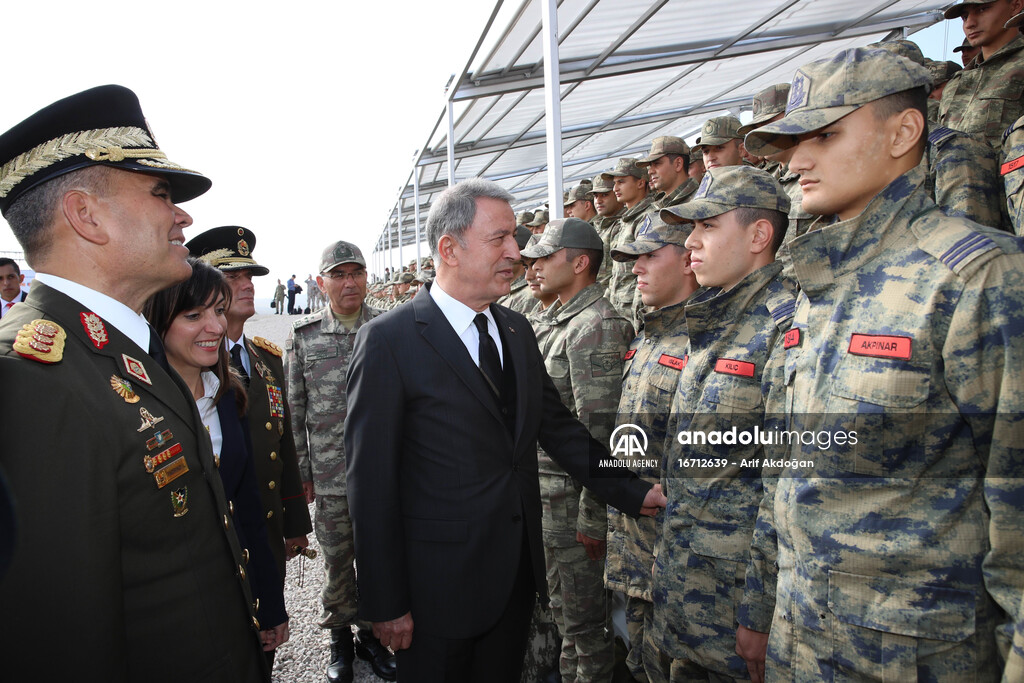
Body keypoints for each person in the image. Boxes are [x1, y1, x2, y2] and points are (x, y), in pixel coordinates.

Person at [744, 46, 1024, 680]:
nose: (799, 161)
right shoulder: (814, 284)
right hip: (806, 641)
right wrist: (763, 612)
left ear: (904, 132)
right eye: (793, 141)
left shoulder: (977, 278)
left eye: (825, 134)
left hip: (916, 656)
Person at [344, 178, 666, 683]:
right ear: (449, 248)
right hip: (436, 592)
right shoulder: (389, 340)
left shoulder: (516, 331)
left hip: (514, 580)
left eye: (514, 238)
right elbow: (370, 482)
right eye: (501, 239)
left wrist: (630, 490)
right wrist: (385, 601)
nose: (516, 253)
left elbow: (558, 429)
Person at [0, 84, 267, 681]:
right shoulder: (29, 378)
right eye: (161, 193)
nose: (184, 216)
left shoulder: (124, 348)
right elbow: (61, 641)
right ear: (85, 215)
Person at [653, 166, 793, 682]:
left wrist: (759, 611)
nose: (690, 241)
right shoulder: (713, 321)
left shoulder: (785, 325)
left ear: (759, 235)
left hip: (737, 608)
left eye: (707, 226)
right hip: (690, 593)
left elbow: (783, 486)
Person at [145, 258, 289, 656]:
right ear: (158, 320)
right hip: (173, 611)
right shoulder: (137, 407)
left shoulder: (229, 397)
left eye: (219, 311)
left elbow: (248, 509)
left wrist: (271, 604)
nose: (216, 327)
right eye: (194, 314)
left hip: (237, 589)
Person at [185, 226, 313, 667]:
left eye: (250, 276)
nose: (246, 285)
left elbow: (284, 445)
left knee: (265, 646)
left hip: (266, 530)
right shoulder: (188, 361)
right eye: (232, 276)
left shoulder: (265, 358)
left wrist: (296, 521)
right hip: (222, 536)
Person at [521, 218, 635, 683]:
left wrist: (593, 515)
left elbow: (601, 433)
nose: (536, 266)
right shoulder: (563, 319)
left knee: (587, 626)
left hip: (574, 505)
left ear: (580, 262)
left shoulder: (598, 327)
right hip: (551, 499)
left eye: (547, 257)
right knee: (566, 614)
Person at [285, 240, 396, 683]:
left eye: (356, 273)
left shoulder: (390, 327)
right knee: (336, 560)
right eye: (339, 274)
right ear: (321, 282)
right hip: (331, 475)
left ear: (367, 278)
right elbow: (295, 410)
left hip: (383, 473)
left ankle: (371, 635)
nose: (350, 282)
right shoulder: (305, 337)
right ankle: (338, 638)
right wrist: (302, 475)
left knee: (377, 556)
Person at [608, 212, 700, 683]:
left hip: (680, 565)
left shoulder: (703, 341)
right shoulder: (646, 335)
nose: (635, 269)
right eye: (631, 259)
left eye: (648, 256)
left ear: (688, 260)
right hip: (638, 556)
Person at [939, 0, 1024, 150]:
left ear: (1016, 6)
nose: (969, 23)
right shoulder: (956, 83)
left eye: (983, 9)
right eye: (964, 17)